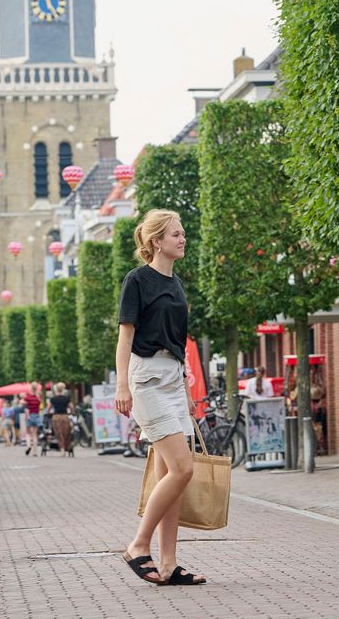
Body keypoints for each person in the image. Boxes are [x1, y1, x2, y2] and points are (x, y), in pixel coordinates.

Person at [116, 209, 206, 586]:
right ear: (156, 242)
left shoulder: (178, 285)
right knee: (183, 468)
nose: (182, 239)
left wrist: (186, 392)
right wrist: (123, 386)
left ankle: (169, 563)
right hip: (147, 378)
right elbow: (125, 336)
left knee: (172, 475)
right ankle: (138, 544)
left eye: (182, 233)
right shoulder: (137, 280)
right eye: (175, 234)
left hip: (171, 379)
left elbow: (179, 345)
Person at [48, 382, 73, 456]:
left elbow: (48, 409)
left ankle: (62, 449)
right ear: (63, 389)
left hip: (56, 417)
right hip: (65, 416)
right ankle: (65, 447)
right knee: (66, 432)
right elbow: (71, 407)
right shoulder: (66, 398)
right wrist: (71, 413)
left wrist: (49, 413)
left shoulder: (53, 399)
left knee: (58, 433)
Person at [22, 383, 42, 456]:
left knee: (28, 433)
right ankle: (35, 451)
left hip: (29, 416)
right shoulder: (38, 397)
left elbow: (22, 402)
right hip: (36, 416)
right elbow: (40, 403)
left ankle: (28, 445)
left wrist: (24, 400)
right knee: (35, 434)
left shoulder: (28, 397)